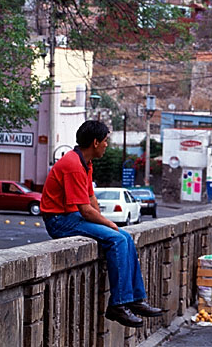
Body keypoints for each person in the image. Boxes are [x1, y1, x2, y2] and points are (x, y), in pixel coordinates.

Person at [40, 120, 163, 328]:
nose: (107, 145)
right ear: (95, 142)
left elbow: (91, 198)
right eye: (105, 141)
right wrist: (109, 224)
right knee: (117, 238)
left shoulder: (84, 162)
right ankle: (118, 304)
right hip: (59, 221)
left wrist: (105, 223)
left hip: (70, 217)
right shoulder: (72, 165)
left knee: (125, 237)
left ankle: (135, 299)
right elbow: (85, 210)